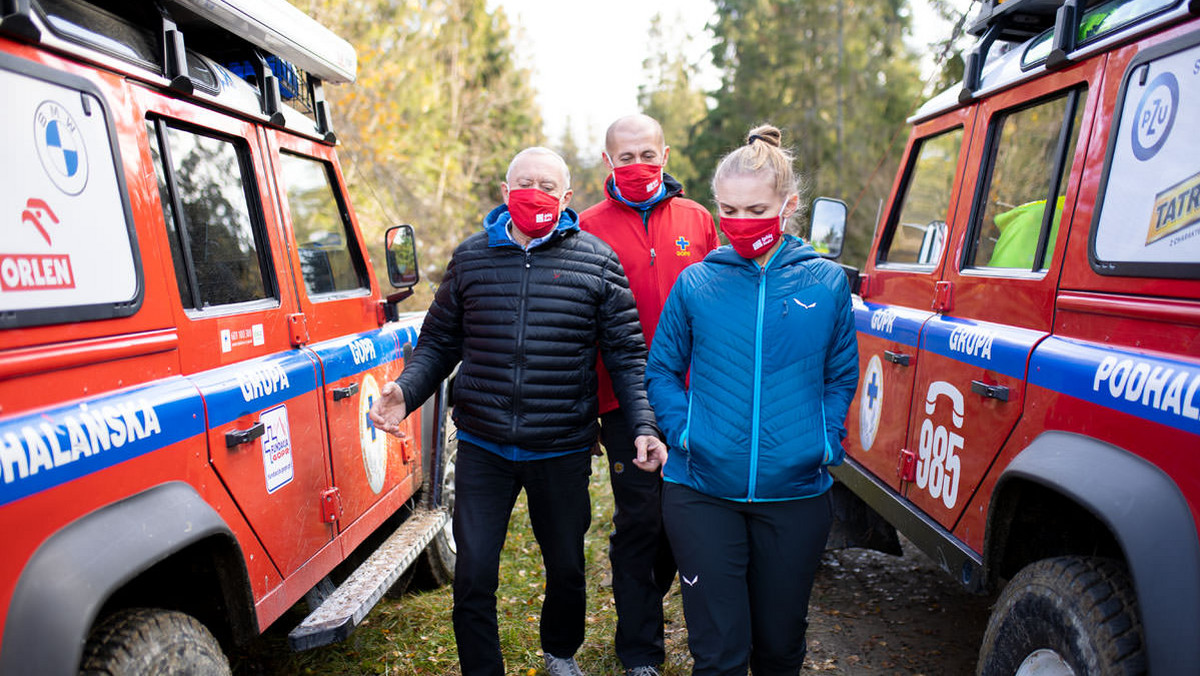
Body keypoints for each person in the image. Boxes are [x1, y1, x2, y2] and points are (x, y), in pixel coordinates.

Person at [368, 147, 666, 676]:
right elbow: (438, 342)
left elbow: (625, 354)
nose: (535, 193)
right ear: (505, 193)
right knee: (474, 573)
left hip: (563, 445)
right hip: (484, 445)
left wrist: (642, 423)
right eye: (524, 183)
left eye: (547, 186)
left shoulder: (597, 261)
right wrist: (405, 391)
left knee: (568, 568)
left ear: (567, 197)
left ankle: (560, 651)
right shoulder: (471, 258)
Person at [643, 125, 859, 675]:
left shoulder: (827, 282)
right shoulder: (696, 283)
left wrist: (826, 439)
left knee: (780, 650)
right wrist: (684, 431)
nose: (740, 223)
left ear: (788, 206)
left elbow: (840, 375)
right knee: (718, 655)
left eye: (755, 208)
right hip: (701, 491)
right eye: (729, 210)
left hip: (795, 496)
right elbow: (662, 369)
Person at [577, 113, 718, 676]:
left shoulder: (699, 220)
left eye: (648, 154)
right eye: (626, 156)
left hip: (697, 397)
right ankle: (640, 653)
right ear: (608, 162)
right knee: (640, 519)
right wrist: (586, 407)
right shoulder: (583, 227)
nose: (639, 165)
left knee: (690, 516)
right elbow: (576, 324)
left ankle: (715, 638)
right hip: (622, 400)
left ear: (666, 154)